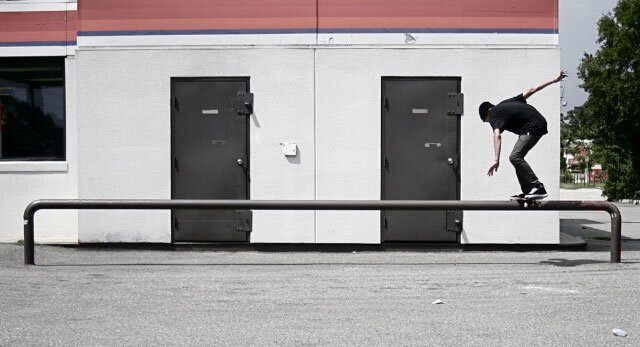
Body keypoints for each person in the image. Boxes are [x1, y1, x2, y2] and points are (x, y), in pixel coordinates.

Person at [478, 69, 568, 199]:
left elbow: (497, 135)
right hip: (536, 123)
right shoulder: (505, 104)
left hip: (532, 126)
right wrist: (554, 80)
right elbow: (532, 89)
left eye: (486, 121)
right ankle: (527, 190)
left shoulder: (493, 115)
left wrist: (496, 160)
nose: (489, 123)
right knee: (517, 159)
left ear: (486, 114)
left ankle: (538, 187)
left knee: (514, 157)